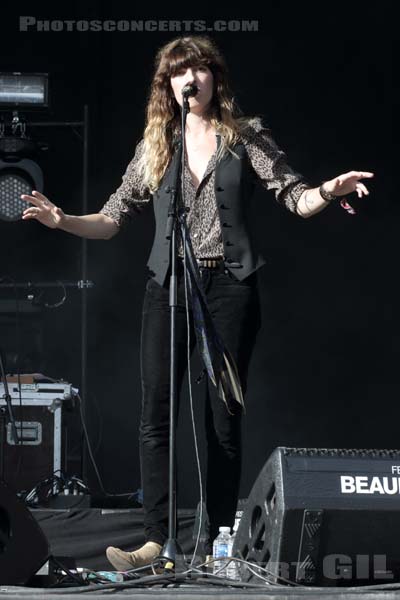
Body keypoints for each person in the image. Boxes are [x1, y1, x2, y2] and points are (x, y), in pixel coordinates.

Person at [21, 35, 373, 569]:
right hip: (168, 287)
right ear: (168, 84)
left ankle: (218, 541)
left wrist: (329, 190)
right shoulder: (157, 142)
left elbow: (294, 197)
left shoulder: (245, 136)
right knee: (155, 417)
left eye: (199, 69)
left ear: (214, 77)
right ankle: (155, 541)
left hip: (230, 287)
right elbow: (113, 219)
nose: (191, 79)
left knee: (222, 417)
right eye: (179, 72)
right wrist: (63, 220)